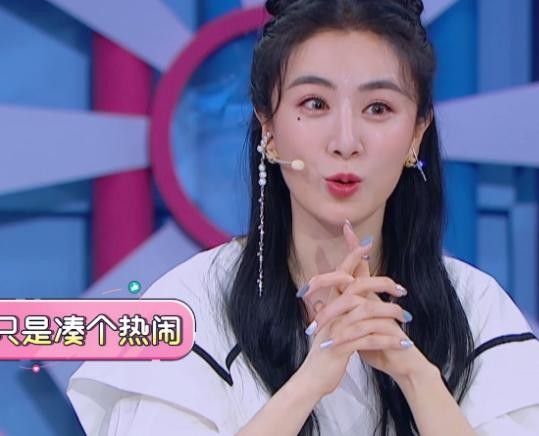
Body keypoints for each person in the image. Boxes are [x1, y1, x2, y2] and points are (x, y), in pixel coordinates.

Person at [67, 0, 539, 434]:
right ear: (268, 128)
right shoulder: (189, 307)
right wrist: (309, 384)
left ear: (417, 133)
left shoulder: (476, 311)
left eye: (378, 108)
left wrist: (418, 378)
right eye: (315, 104)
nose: (345, 141)